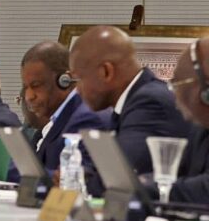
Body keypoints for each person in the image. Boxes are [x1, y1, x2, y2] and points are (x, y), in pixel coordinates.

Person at [69, 25, 191, 178]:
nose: (77, 90)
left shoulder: (149, 103)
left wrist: (78, 179)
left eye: (80, 78)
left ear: (106, 72)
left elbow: (120, 179)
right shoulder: (134, 101)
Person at [19, 41, 105, 172]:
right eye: (26, 87)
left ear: (65, 80)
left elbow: (78, 177)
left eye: (36, 85)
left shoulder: (86, 118)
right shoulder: (55, 119)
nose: (29, 96)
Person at [167, 38, 209, 203]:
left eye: (177, 83)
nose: (174, 93)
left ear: (205, 92)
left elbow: (205, 190)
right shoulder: (199, 130)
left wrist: (153, 188)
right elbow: (176, 174)